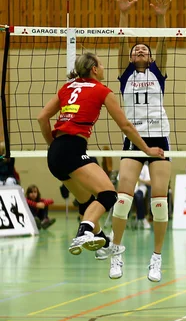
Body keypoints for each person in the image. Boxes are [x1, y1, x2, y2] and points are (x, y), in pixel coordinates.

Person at [37, 52, 163, 255]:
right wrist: (147, 150)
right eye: (102, 65)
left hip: (55, 154)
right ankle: (84, 231)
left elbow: (42, 117)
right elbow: (126, 126)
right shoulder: (102, 90)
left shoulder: (67, 87)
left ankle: (103, 244)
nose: (104, 68)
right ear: (94, 69)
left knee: (86, 201)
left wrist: (53, 145)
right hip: (73, 149)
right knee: (108, 194)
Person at [107, 0, 172, 282]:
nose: (141, 51)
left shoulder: (158, 73)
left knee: (159, 202)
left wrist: (161, 19)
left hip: (158, 137)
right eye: (137, 50)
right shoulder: (126, 74)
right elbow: (121, 43)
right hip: (133, 139)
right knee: (123, 199)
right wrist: (123, 14)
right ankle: (117, 253)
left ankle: (156, 258)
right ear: (131, 57)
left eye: (145, 49)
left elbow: (164, 43)